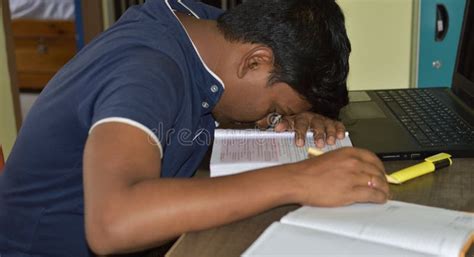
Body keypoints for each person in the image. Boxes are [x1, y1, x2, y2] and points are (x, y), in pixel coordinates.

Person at [0, 0, 389, 256]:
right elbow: (111, 224)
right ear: (255, 61)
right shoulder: (147, 72)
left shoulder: (204, 28)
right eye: (273, 108)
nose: (267, 120)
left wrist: (296, 115)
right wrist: (296, 178)